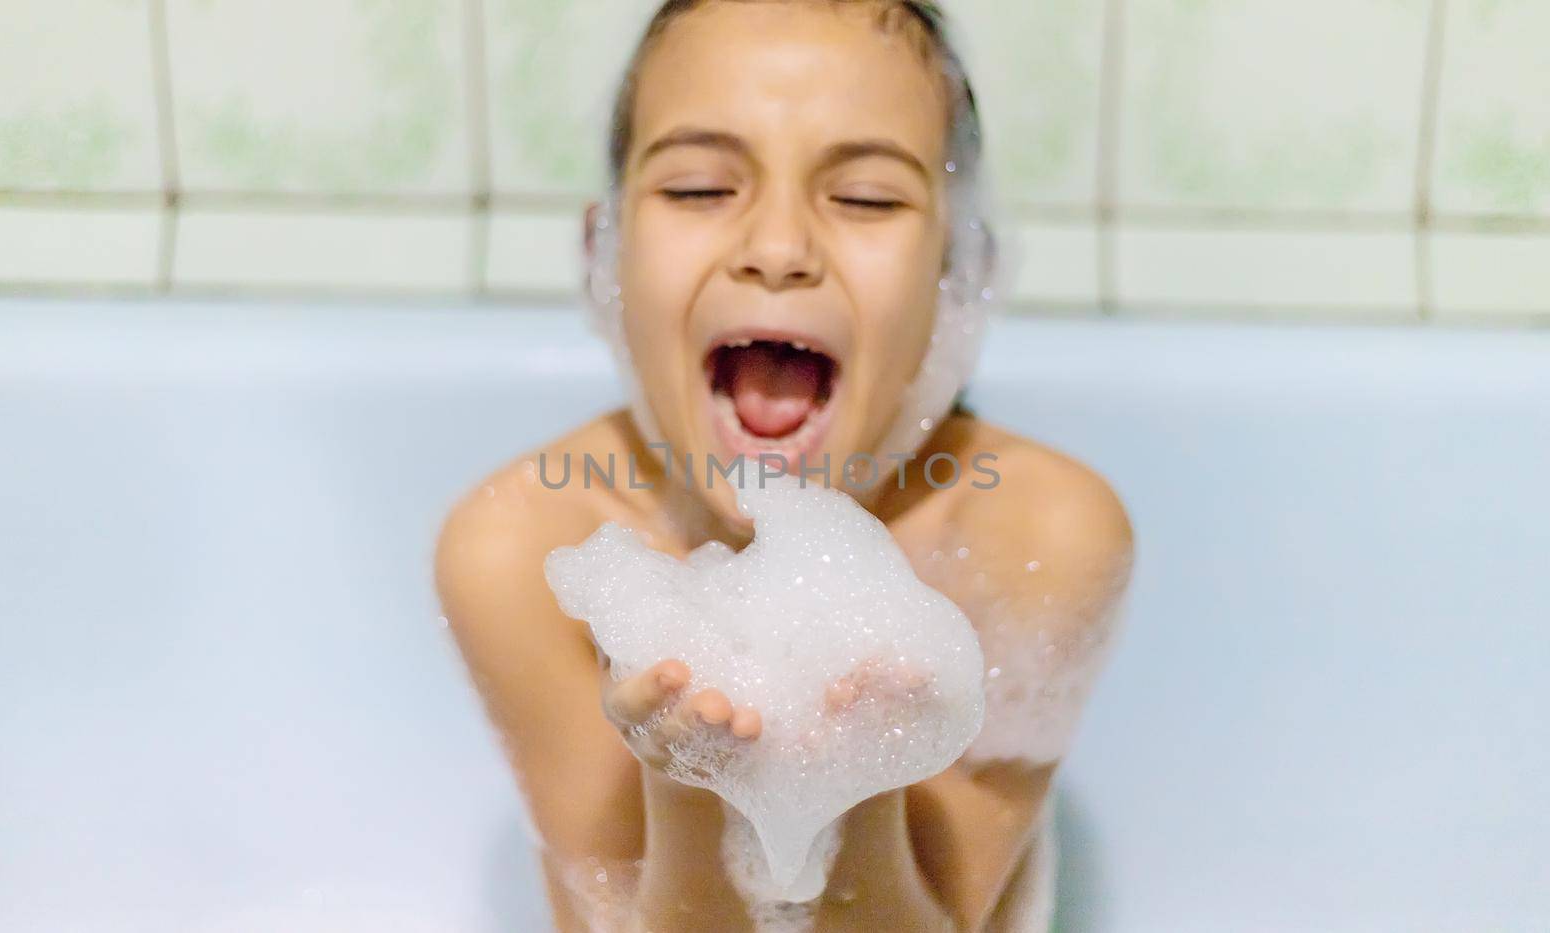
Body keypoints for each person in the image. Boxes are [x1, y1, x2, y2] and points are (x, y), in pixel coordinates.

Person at [434, 2, 1134, 929]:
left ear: (958, 267)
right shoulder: (522, 548)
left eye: (867, 198)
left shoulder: (1035, 537)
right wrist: (685, 784)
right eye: (695, 189)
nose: (777, 249)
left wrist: (860, 774)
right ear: (606, 250)